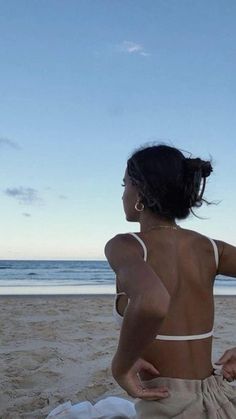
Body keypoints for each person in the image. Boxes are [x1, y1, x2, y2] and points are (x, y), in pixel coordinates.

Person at [47, 144, 236, 418]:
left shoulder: (126, 245)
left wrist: (121, 366)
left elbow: (152, 301)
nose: (122, 193)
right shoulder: (212, 249)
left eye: (125, 184)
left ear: (140, 192)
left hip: (169, 407)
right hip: (220, 401)